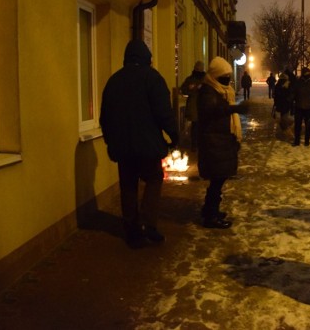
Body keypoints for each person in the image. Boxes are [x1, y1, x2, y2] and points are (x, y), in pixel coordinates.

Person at [100, 39, 179, 249]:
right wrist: (174, 136)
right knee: (153, 180)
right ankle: (149, 225)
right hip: (148, 146)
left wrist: (111, 142)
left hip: (123, 148)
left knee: (128, 186)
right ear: (147, 58)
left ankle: (132, 231)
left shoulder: (114, 81)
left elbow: (105, 118)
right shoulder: (152, 79)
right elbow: (164, 113)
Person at [197, 56, 248, 229]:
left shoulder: (220, 90)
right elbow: (211, 110)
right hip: (213, 142)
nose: (228, 79)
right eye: (225, 75)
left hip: (220, 141)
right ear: (216, 75)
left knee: (218, 180)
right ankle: (211, 216)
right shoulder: (208, 91)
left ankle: (210, 210)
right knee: (217, 180)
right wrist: (233, 109)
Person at [180, 61, 206, 151]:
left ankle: (198, 145)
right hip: (195, 106)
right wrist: (191, 88)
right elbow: (183, 90)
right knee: (196, 126)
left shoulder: (205, 79)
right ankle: (195, 145)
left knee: (199, 126)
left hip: (202, 105)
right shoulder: (191, 79)